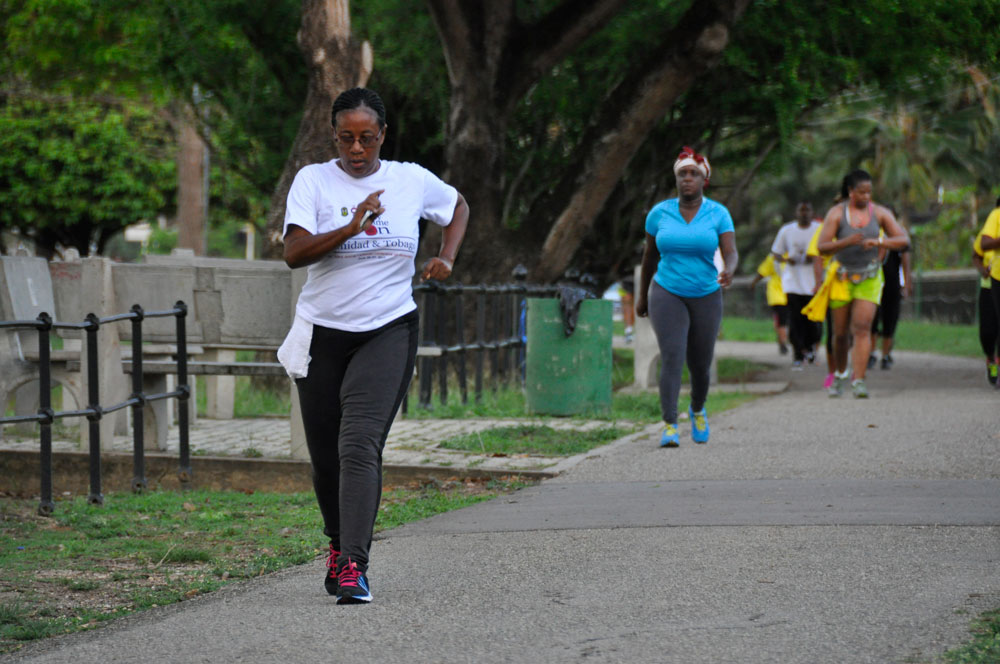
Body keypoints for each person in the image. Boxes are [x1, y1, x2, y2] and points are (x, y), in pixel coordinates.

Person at [277, 87, 469, 604]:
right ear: (334, 136)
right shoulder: (314, 180)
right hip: (323, 333)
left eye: (367, 138)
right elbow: (294, 252)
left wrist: (447, 256)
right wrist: (350, 226)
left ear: (383, 134)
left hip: (388, 329)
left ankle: (354, 567)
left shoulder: (410, 179)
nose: (357, 149)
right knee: (326, 460)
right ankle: (337, 544)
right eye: (346, 138)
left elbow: (457, 206)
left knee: (358, 445)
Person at [636, 146, 738, 447]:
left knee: (700, 363)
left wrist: (729, 270)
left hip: (706, 294)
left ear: (704, 179)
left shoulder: (718, 213)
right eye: (683, 174)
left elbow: (731, 252)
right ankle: (669, 424)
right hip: (667, 291)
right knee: (672, 356)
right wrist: (642, 296)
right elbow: (649, 257)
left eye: (694, 173)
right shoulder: (659, 213)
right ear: (676, 179)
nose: (688, 178)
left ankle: (697, 409)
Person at [816, 170, 908, 398]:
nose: (866, 196)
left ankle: (859, 380)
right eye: (861, 192)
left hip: (869, 277)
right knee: (840, 334)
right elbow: (822, 246)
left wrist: (878, 241)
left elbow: (903, 240)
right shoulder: (837, 214)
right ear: (850, 191)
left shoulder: (880, 213)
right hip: (842, 277)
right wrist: (846, 242)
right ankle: (840, 374)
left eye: (869, 192)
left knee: (862, 328)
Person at [771, 202, 822, 369]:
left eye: (807, 210)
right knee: (795, 320)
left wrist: (814, 258)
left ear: (812, 212)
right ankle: (798, 354)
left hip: (813, 283)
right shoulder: (787, 230)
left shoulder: (819, 229)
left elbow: (827, 249)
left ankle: (811, 348)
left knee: (812, 321)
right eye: (801, 210)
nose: (804, 213)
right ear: (796, 212)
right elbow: (776, 253)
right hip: (792, 283)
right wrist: (787, 260)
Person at [868, 208, 913, 370]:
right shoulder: (872, 234)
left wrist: (907, 284)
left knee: (890, 320)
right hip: (873, 284)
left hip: (892, 285)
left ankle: (886, 355)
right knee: (872, 319)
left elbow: (906, 262)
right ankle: (871, 353)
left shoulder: (900, 237)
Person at [974, 195, 1000, 387]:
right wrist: (982, 270)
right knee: (988, 331)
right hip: (989, 286)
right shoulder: (989, 229)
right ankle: (990, 358)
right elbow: (977, 254)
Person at [748, 253, 789, 356]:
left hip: (789, 294)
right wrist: (753, 283)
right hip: (777, 295)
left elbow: (761, 273)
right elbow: (762, 272)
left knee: (783, 321)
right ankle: (783, 342)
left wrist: (753, 283)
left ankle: (782, 339)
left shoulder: (792, 255)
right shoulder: (774, 257)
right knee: (782, 321)